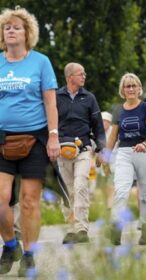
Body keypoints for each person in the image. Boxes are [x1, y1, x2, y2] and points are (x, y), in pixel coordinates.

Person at [0, 7, 60, 276]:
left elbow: (50, 102)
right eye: (7, 27)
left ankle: (29, 254)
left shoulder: (41, 62)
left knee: (29, 201)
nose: (10, 30)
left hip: (35, 139)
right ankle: (10, 245)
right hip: (2, 139)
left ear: (27, 33)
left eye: (16, 27)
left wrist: (54, 136)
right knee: (1, 199)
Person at [102, 73, 146, 246]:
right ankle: (116, 229)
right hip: (124, 152)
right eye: (128, 86)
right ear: (123, 90)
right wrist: (105, 157)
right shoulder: (119, 110)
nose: (131, 89)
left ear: (139, 88)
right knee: (121, 190)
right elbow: (112, 137)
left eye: (134, 86)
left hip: (144, 152)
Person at [57, 62, 106, 244]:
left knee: (80, 185)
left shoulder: (89, 98)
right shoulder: (56, 97)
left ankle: (82, 228)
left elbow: (98, 126)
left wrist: (101, 149)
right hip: (61, 151)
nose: (84, 76)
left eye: (84, 73)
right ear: (70, 77)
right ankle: (71, 229)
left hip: (83, 149)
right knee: (67, 191)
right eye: (81, 74)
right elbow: (49, 123)